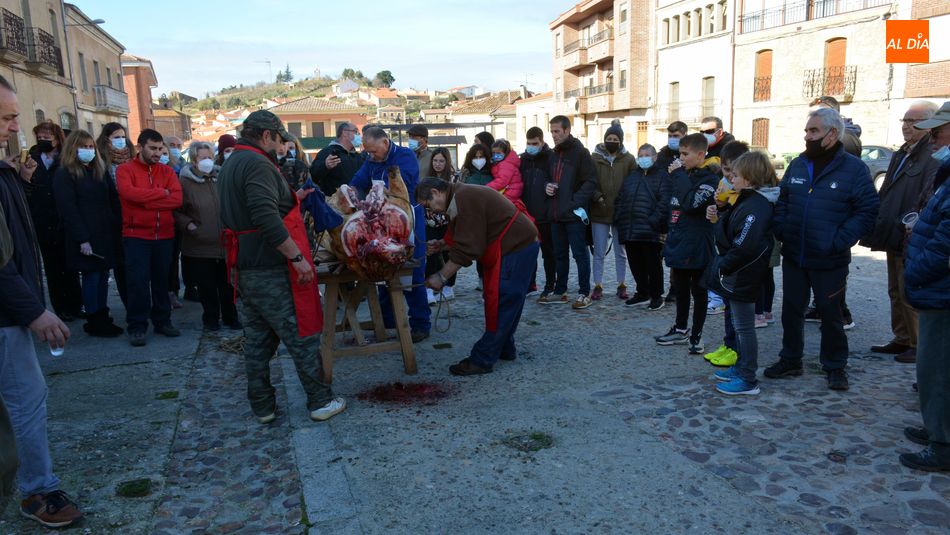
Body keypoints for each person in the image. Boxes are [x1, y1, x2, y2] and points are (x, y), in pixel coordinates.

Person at [219, 110, 345, 423]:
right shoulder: (258, 164)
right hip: (271, 267)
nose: (281, 147)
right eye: (279, 140)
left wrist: (294, 198)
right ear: (266, 136)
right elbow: (264, 218)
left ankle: (263, 407)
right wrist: (297, 257)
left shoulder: (232, 162)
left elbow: (254, 210)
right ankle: (320, 401)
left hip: (245, 267)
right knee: (300, 336)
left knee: (258, 342)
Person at [0, 73, 84, 528]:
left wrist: (21, 182)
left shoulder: (6, 170)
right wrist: (34, 311)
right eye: (9, 118)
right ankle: (38, 492)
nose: (15, 127)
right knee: (25, 402)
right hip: (7, 317)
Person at [764, 108, 879, 391]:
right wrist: (782, 229)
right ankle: (791, 359)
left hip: (830, 259)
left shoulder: (854, 169)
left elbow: (867, 211)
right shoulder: (799, 165)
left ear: (831, 134)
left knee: (830, 313)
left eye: (813, 131)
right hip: (795, 254)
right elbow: (784, 200)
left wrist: (839, 240)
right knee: (791, 310)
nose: (807, 136)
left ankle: (835, 365)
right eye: (806, 131)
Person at [419, 178, 538, 376]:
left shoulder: (464, 197)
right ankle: (504, 348)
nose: (430, 211)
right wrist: (442, 243)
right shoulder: (458, 196)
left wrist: (441, 276)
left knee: (503, 299)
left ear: (435, 192)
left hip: (516, 247)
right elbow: (464, 232)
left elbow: (467, 248)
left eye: (428, 204)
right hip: (514, 246)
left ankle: (482, 359)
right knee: (503, 301)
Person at [861, 101, 941, 364]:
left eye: (913, 121)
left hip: (911, 232)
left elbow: (927, 194)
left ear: (929, 125)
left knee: (909, 289)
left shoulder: (931, 154)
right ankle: (902, 337)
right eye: (904, 121)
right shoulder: (903, 152)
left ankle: (917, 344)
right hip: (894, 231)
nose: (907, 126)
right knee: (895, 289)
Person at [901, 100, 950, 472]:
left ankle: (943, 443)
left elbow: (944, 246)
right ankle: (937, 429)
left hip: (941, 289)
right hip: (937, 287)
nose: (931, 137)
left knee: (937, 368)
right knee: (933, 367)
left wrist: (915, 271)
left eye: (938, 129)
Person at [706, 151, 779, 396]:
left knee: (744, 328)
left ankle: (748, 378)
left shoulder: (756, 205)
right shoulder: (747, 200)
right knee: (740, 326)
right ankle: (741, 368)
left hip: (743, 275)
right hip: (738, 272)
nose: (730, 179)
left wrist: (723, 266)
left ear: (748, 178)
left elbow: (745, 245)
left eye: (735, 175)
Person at [350, 126, 431, 342]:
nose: (370, 155)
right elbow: (358, 181)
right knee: (384, 268)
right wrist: (351, 192)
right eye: (367, 151)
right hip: (382, 223)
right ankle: (387, 320)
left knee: (413, 273)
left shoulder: (405, 157)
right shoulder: (371, 161)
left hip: (409, 220)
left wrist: (375, 193)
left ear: (385, 143)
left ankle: (421, 323)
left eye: (373, 151)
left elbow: (397, 186)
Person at [116, 129, 184, 347]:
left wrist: (146, 202)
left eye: (160, 148)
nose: (157, 153)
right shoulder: (125, 170)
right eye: (152, 148)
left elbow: (176, 199)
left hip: (164, 234)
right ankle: (137, 326)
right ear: (140, 147)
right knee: (137, 282)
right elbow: (129, 194)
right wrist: (160, 194)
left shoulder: (168, 172)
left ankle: (162, 321)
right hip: (136, 235)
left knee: (161, 281)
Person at [53, 130, 124, 338]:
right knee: (92, 276)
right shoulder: (65, 173)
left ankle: (102, 314)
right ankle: (94, 318)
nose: (88, 151)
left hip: (104, 233)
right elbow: (69, 209)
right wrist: (82, 239)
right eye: (83, 147)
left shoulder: (98, 170)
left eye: (91, 147)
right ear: (73, 149)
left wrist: (117, 225)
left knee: (103, 275)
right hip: (84, 236)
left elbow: (113, 199)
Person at [656, 133, 718, 354]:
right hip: (678, 240)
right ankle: (680, 328)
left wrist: (679, 175)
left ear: (701, 154)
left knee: (699, 291)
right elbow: (672, 204)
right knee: (680, 288)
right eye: (679, 153)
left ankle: (696, 335)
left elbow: (691, 203)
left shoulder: (709, 179)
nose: (680, 158)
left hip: (698, 244)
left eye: (685, 154)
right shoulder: (680, 175)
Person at [175, 141, 240, 331]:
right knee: (207, 286)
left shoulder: (222, 178)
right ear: (194, 160)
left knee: (227, 285)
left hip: (225, 243)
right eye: (203, 158)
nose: (207, 161)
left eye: (210, 157)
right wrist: (190, 225)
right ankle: (211, 319)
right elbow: (177, 211)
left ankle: (231, 317)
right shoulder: (184, 182)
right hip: (200, 245)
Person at [22, 120, 82, 321]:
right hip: (43, 221)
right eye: (40, 137)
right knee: (53, 268)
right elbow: (26, 189)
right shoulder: (30, 158)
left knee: (70, 266)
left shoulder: (66, 159)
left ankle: (76, 305)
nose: (43, 140)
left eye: (48, 137)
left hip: (64, 220)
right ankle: (61, 308)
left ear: (57, 139)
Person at [540, 115, 598, 310]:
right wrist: (547, 186)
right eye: (552, 132)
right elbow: (548, 178)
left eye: (557, 131)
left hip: (573, 215)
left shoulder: (581, 153)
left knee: (580, 255)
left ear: (567, 130)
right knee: (560, 254)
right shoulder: (553, 154)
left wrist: (574, 203)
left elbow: (591, 182)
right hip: (555, 214)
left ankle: (584, 293)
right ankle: (560, 291)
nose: (554, 135)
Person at [703, 140, 752, 367]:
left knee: (738, 310)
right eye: (726, 171)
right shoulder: (724, 187)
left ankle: (737, 350)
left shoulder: (750, 194)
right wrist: (717, 211)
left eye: (734, 172)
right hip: (726, 252)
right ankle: (729, 343)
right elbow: (724, 216)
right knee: (727, 304)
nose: (730, 177)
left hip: (740, 258)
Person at [615, 143, 670, 311]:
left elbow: (664, 202)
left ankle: (656, 295)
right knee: (635, 263)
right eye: (641, 155)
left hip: (649, 229)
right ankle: (642, 292)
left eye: (647, 155)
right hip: (630, 228)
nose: (643, 158)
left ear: (654, 157)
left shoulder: (662, 176)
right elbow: (621, 198)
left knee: (653, 264)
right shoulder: (632, 176)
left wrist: (653, 220)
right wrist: (619, 216)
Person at [590, 120, 634, 301]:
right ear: (604, 139)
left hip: (620, 213)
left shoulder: (629, 160)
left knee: (621, 253)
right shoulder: (594, 158)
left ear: (621, 141)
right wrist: (597, 196)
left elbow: (633, 183)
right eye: (609, 137)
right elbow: (588, 181)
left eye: (615, 138)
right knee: (599, 252)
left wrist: (625, 202)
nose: (612, 141)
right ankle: (597, 285)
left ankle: (621, 284)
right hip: (599, 211)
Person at [96, 123, 134, 307]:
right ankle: (129, 303)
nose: (120, 141)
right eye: (116, 137)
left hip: (135, 215)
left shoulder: (133, 158)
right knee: (121, 263)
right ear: (106, 139)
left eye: (122, 136)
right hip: (115, 219)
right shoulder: (101, 161)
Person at [520, 127, 557, 298]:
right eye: (529, 143)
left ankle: (550, 284)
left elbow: (556, 181)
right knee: (528, 253)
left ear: (542, 142)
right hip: (527, 215)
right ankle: (530, 284)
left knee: (548, 253)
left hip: (545, 214)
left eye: (535, 143)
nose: (531, 146)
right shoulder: (523, 159)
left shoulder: (551, 158)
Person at [423, 147, 457, 303]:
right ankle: (429, 289)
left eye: (441, 161)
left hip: (448, 222)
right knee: (431, 254)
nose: (438, 164)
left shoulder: (454, 178)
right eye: (435, 160)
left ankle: (449, 287)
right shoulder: (427, 179)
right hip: (430, 222)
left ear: (446, 162)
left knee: (449, 253)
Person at [311, 122, 362, 195]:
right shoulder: (326, 152)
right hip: (334, 202)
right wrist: (325, 166)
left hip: (355, 201)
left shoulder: (357, 156)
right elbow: (313, 175)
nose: (359, 135)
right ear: (344, 133)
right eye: (355, 131)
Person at [488, 139, 523, 206]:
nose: (495, 155)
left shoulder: (506, 164)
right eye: (493, 153)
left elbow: (502, 181)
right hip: (511, 191)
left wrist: (487, 187)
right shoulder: (504, 162)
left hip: (509, 192)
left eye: (498, 153)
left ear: (506, 153)